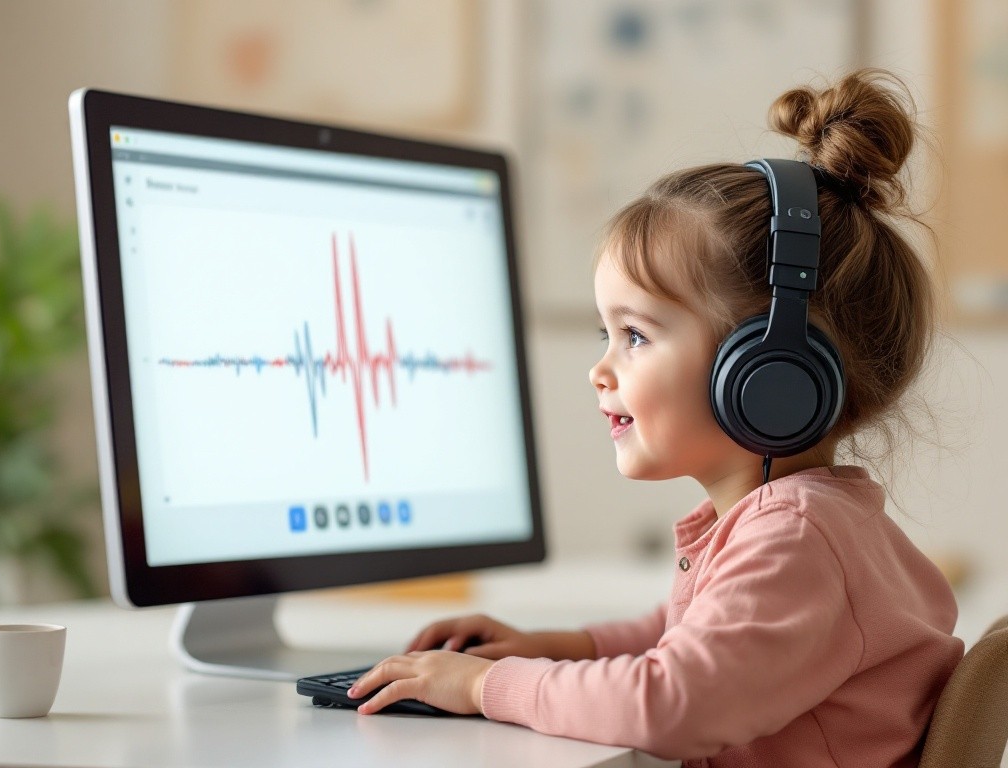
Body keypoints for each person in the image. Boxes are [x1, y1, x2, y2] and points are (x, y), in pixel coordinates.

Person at [346, 69, 965, 766]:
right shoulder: (808, 525)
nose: (600, 370)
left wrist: (489, 684)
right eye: (604, 336)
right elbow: (684, 631)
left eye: (635, 336)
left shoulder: (797, 539)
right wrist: (555, 647)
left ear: (768, 372)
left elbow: (670, 702)